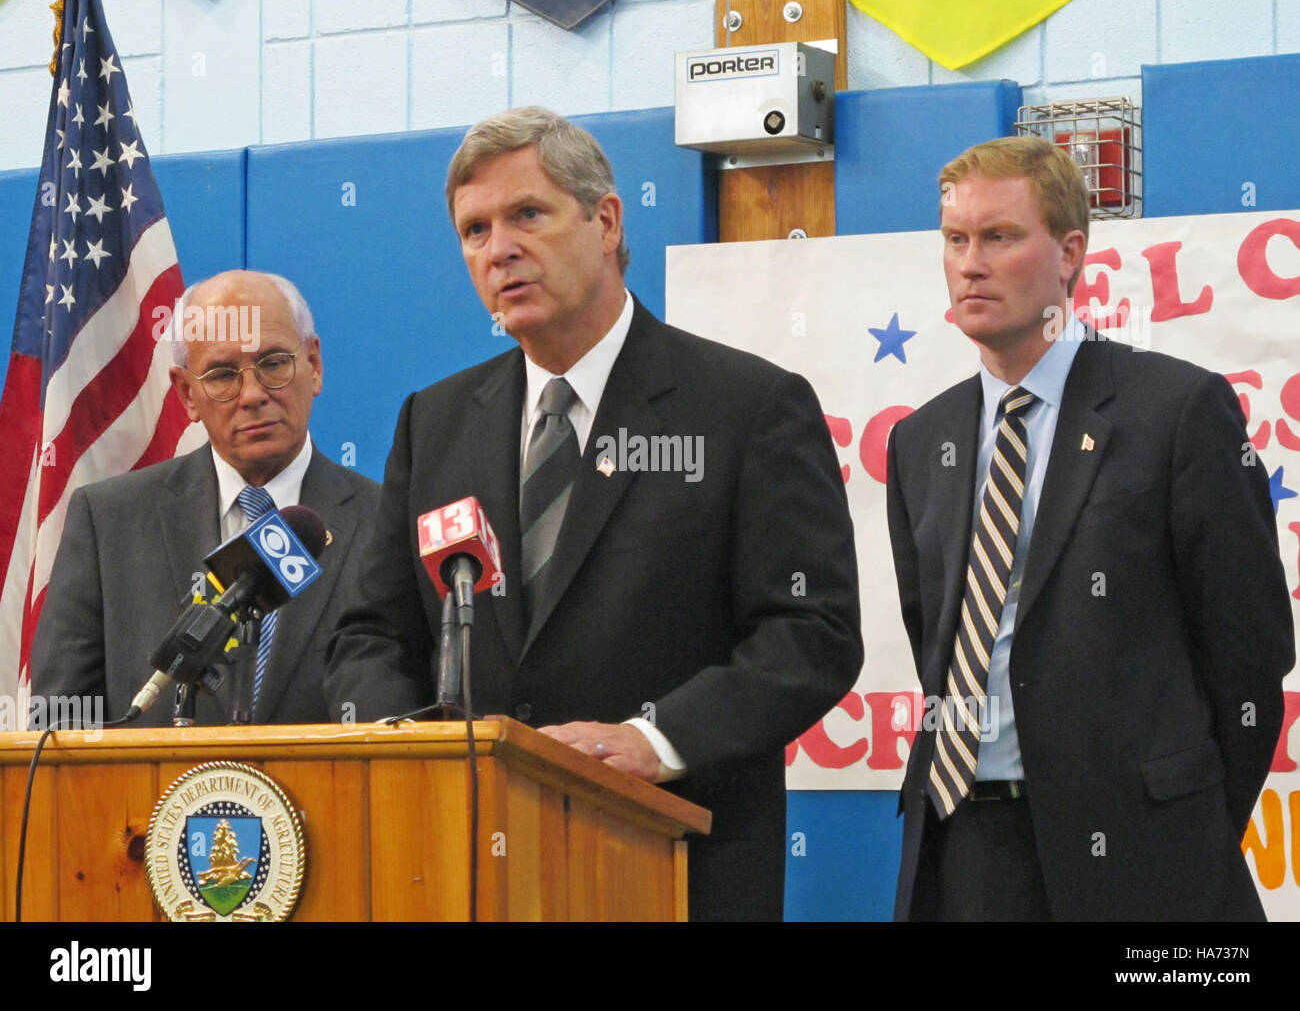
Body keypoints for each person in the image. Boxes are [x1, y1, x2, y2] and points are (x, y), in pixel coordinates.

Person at [324, 106, 863, 921]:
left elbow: (810, 634)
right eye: (474, 230)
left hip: (673, 867)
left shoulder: (745, 408)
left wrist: (656, 740)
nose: (498, 248)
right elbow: (370, 632)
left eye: (527, 215)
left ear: (605, 221)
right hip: (467, 867)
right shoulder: (433, 422)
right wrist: (417, 749)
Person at [886, 136, 1294, 921]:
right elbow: (931, 635)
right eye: (955, 239)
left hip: (1145, 857)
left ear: (1070, 252)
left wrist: (1186, 825)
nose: (970, 263)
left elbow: (1249, 655)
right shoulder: (919, 441)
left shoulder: (1174, 412)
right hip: (963, 848)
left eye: (1000, 237)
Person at [31, 270, 380, 727]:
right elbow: (59, 727)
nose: (253, 395)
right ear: (186, 394)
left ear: (313, 364)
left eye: (274, 363)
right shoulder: (107, 522)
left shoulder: (385, 520)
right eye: (221, 375)